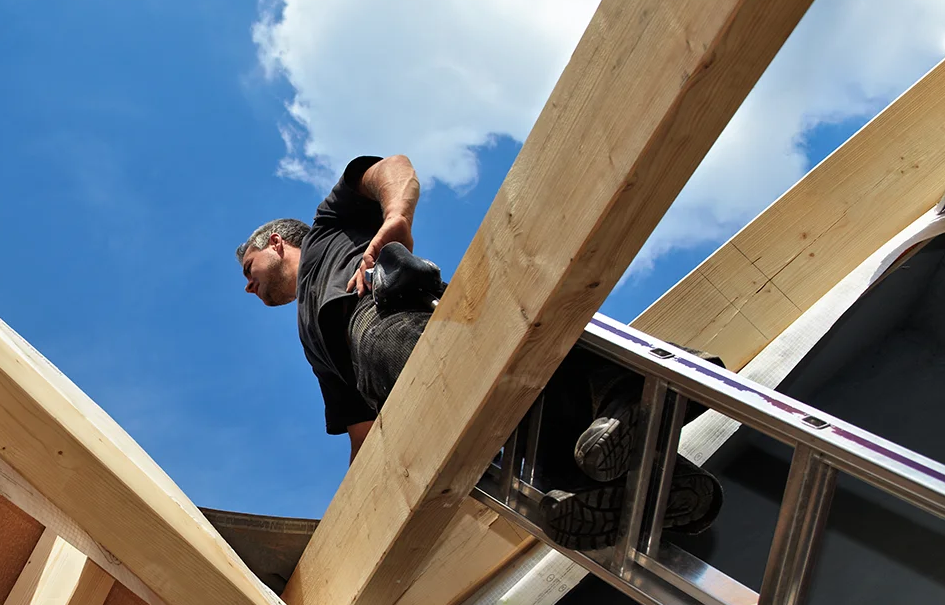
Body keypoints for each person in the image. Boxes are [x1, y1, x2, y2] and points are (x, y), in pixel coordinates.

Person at [236, 154, 720, 550]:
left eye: (248, 269)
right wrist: (345, 526)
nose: (248, 287)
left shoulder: (328, 228)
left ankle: (635, 390)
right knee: (540, 446)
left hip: (394, 313)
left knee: (489, 367)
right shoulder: (314, 343)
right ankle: (659, 483)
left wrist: (397, 217)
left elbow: (392, 168)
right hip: (390, 386)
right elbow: (363, 435)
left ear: (276, 243)